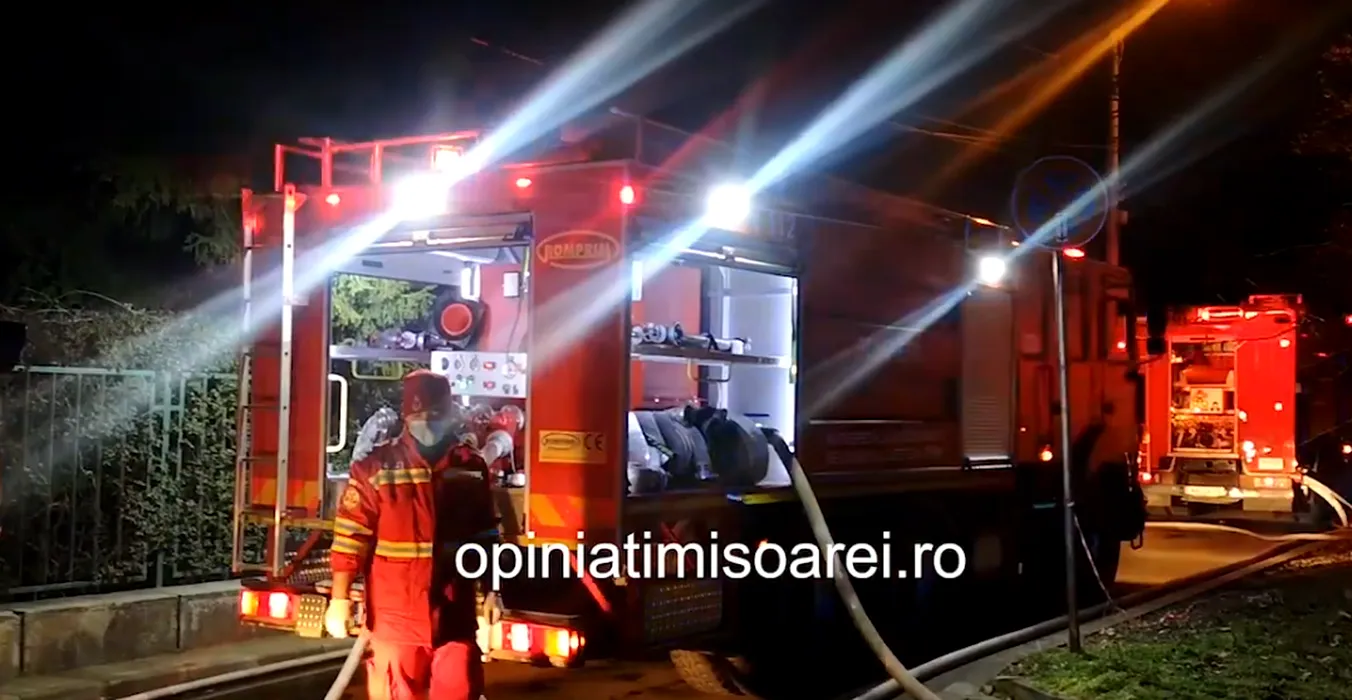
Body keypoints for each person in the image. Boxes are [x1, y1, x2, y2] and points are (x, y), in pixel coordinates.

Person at [325, 369, 501, 700]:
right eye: (419, 415)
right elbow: (350, 536)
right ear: (406, 416)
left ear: (448, 415)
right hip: (397, 620)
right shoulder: (375, 468)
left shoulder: (469, 466)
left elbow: (485, 535)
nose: (426, 422)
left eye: (434, 414)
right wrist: (339, 598)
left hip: (453, 617)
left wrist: (493, 590)